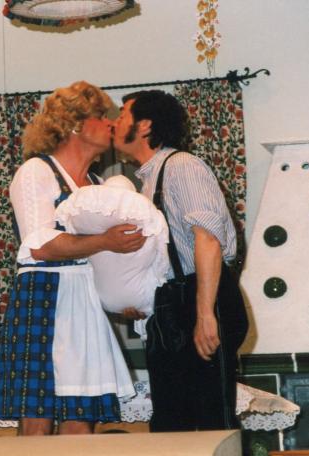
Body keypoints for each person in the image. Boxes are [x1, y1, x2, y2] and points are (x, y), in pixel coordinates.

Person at [0, 81, 145, 436]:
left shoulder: (96, 183)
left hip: (85, 302)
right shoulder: (36, 171)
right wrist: (104, 240)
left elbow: (107, 258)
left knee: (81, 419)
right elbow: (40, 245)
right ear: (76, 124)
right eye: (101, 116)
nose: (110, 123)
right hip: (43, 297)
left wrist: (127, 297)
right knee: (37, 419)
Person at [113, 90, 248, 432]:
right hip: (173, 304)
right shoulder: (148, 181)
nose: (115, 123)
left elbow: (208, 239)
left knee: (211, 419)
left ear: (145, 125)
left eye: (122, 115)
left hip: (202, 296)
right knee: (170, 423)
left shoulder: (182, 166)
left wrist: (205, 314)